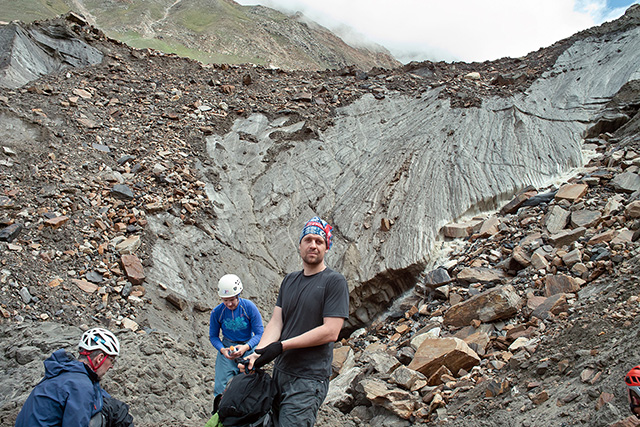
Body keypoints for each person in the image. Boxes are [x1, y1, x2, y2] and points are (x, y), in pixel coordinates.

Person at [241, 216, 350, 427]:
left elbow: (330, 331)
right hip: (280, 374)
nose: (313, 245)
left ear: (327, 248)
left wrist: (281, 346)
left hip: (308, 380)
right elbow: (276, 322)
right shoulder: (289, 280)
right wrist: (258, 353)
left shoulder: (334, 282)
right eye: (308, 239)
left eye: (319, 241)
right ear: (299, 245)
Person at [15, 327, 133, 426]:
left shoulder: (62, 373)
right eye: (112, 361)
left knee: (111, 407)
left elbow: (101, 396)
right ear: (100, 358)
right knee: (103, 415)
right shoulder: (81, 386)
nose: (111, 366)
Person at [209, 273, 264, 397]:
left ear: (238, 295)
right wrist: (222, 349)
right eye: (225, 300)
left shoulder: (249, 307)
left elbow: (260, 333)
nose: (229, 304)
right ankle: (219, 411)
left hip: (248, 346)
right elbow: (213, 336)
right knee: (220, 386)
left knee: (247, 383)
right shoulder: (217, 312)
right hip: (227, 347)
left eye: (232, 299)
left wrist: (246, 347)